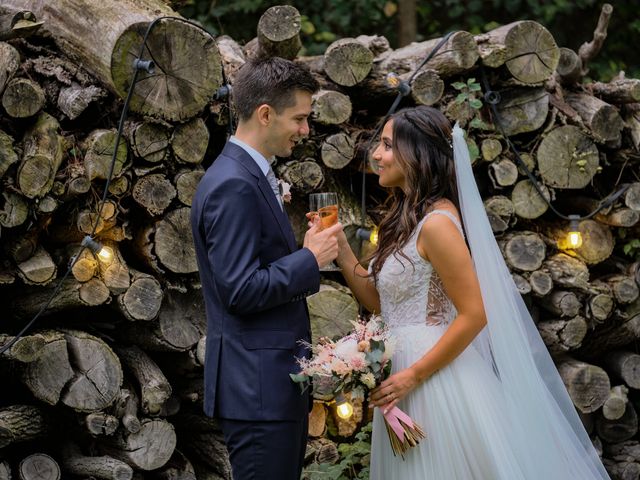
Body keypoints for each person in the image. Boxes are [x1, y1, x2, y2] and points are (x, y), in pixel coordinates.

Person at [334, 106, 611, 479]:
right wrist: (339, 245)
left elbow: (475, 313)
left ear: (417, 155)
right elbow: (380, 302)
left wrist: (413, 375)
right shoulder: (404, 219)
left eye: (386, 145)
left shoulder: (437, 225)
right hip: (401, 378)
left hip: (435, 379)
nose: (377, 156)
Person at [190, 57, 342, 480]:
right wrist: (309, 258)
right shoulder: (234, 184)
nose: (306, 130)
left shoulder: (247, 176)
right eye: (300, 118)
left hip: (268, 389)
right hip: (257, 391)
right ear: (264, 114)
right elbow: (240, 291)